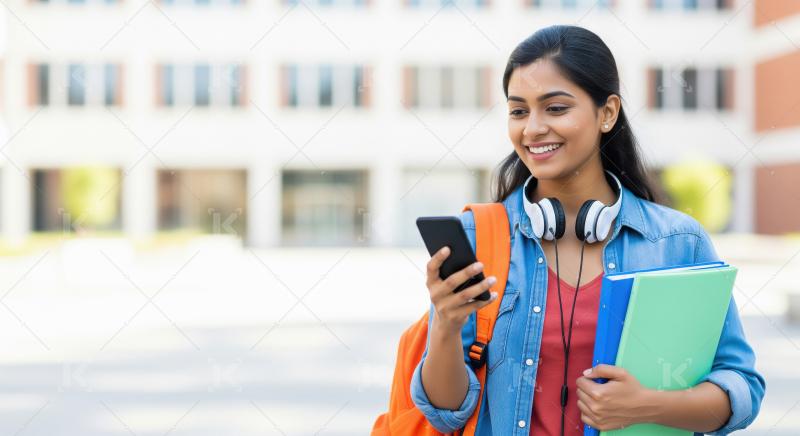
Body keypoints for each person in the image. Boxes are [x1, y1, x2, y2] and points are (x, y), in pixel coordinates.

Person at [409, 25, 765, 436]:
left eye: (556, 108)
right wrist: (447, 326)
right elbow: (446, 411)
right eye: (519, 110)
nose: (533, 128)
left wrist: (648, 406)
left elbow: (741, 389)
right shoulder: (479, 236)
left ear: (608, 112)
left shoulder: (677, 243)